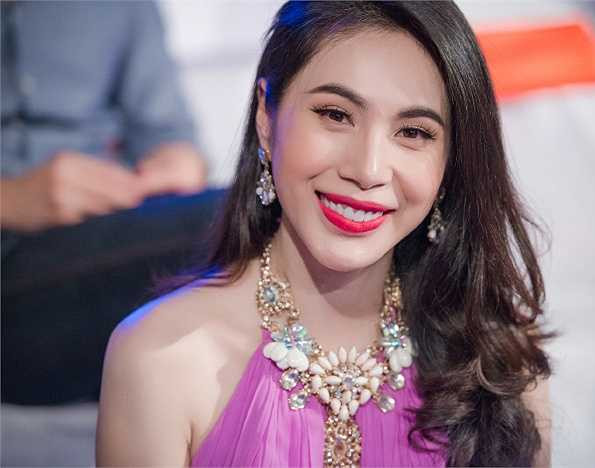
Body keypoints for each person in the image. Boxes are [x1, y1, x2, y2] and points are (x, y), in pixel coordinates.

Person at [96, 2, 555, 466]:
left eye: (413, 132)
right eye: (336, 114)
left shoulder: (499, 355)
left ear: (449, 161)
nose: (368, 170)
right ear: (267, 117)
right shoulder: (162, 357)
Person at [0, 1, 223, 405]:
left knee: (244, 210)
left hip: (99, 240)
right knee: (241, 213)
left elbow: (170, 136)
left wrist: (177, 164)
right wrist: (11, 200)